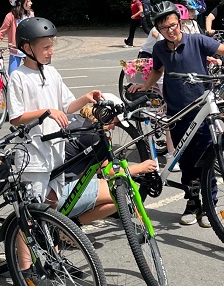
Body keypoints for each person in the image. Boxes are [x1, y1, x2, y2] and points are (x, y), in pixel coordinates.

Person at [135, 2, 224, 226]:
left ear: (179, 22)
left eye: (173, 24)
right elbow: (157, 70)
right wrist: (145, 87)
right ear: (159, 30)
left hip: (201, 111)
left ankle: (210, 205)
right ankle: (192, 204)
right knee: (187, 161)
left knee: (206, 159)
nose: (170, 30)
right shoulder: (160, 49)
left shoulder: (197, 40)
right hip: (177, 112)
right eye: (164, 27)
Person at [7, 18, 102, 278]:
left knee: (53, 209)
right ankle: (26, 269)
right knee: (28, 215)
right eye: (46, 47)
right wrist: (45, 112)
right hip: (33, 155)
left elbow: (67, 106)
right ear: (27, 48)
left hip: (56, 153)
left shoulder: (52, 72)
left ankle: (54, 260)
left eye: (52, 46)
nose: (51, 51)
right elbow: (16, 117)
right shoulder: (18, 77)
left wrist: (85, 98)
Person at [55, 94, 158, 225]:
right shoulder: (92, 136)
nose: (114, 127)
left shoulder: (76, 120)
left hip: (49, 188)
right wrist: (141, 167)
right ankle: (69, 228)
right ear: (104, 115)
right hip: (59, 192)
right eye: (114, 121)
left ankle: (65, 222)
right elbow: (108, 171)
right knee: (119, 194)